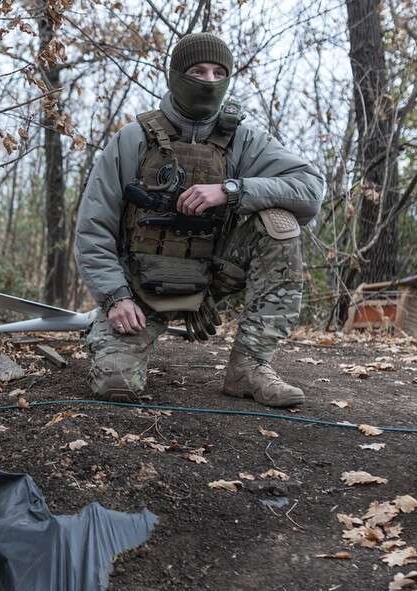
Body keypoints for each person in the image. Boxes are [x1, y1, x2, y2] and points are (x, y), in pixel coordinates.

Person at [74, 32, 325, 407]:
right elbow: (93, 230)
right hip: (139, 289)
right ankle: (113, 341)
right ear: (176, 76)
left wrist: (233, 190)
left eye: (217, 72)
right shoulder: (132, 140)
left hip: (211, 276)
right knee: (116, 385)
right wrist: (114, 298)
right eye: (198, 71)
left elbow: (310, 190)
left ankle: (250, 366)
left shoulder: (244, 141)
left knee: (279, 223)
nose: (208, 81)